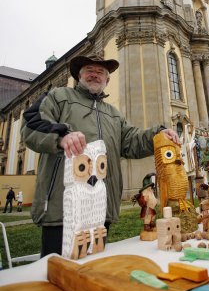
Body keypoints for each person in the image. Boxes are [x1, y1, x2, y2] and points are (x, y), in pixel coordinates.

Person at [21, 53, 179, 257]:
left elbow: (131, 140)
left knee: (94, 269)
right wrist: (60, 137)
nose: (95, 75)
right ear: (79, 75)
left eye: (100, 72)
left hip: (100, 210)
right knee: (57, 275)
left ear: (107, 80)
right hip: (62, 209)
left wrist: (157, 136)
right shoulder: (59, 97)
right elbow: (31, 124)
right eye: (89, 70)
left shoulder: (113, 114)